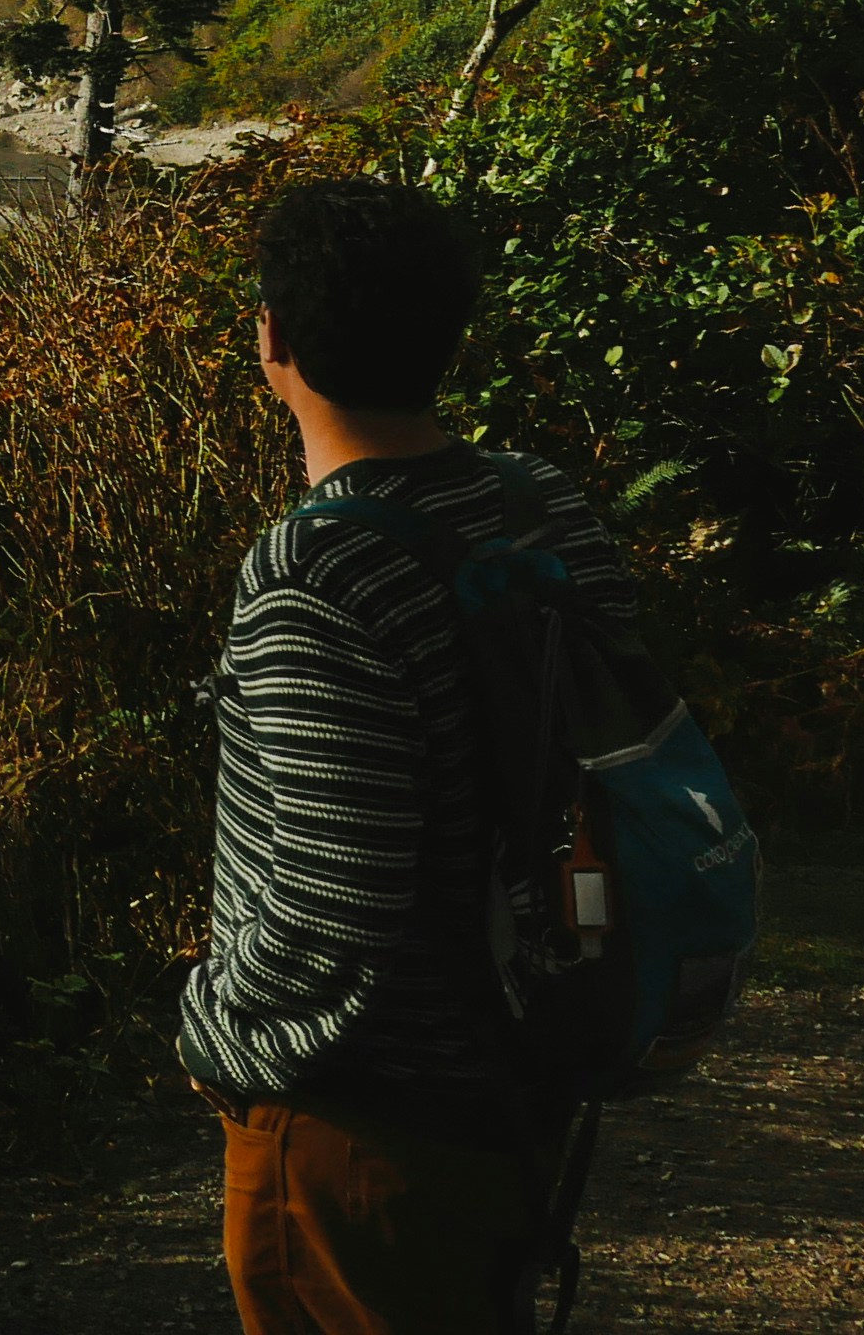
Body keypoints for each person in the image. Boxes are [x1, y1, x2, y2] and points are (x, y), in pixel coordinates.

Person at [187, 178, 635, 1334]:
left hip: (360, 1124)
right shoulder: (542, 505)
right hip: (518, 1073)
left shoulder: (314, 574)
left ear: (272, 338)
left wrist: (214, 1033)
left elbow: (334, 907)